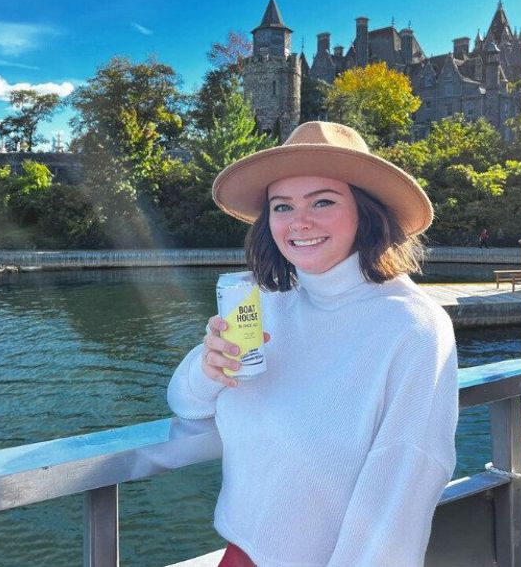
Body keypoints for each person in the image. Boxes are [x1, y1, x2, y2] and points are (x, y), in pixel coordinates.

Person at [166, 122, 458, 567]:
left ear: (367, 211)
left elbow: (403, 489)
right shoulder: (264, 305)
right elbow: (186, 406)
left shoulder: (412, 327)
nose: (299, 222)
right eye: (282, 206)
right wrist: (207, 369)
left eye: (323, 201)